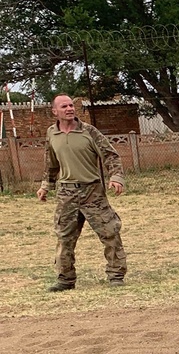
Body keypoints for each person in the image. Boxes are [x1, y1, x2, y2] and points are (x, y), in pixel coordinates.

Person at [37, 95, 128, 291]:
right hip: (66, 194)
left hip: (92, 191)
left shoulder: (89, 131)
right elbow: (50, 163)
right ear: (55, 111)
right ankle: (65, 279)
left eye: (71, 105)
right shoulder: (51, 133)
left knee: (110, 232)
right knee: (64, 237)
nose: (69, 108)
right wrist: (46, 185)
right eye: (64, 106)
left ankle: (116, 275)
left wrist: (116, 177)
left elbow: (110, 155)